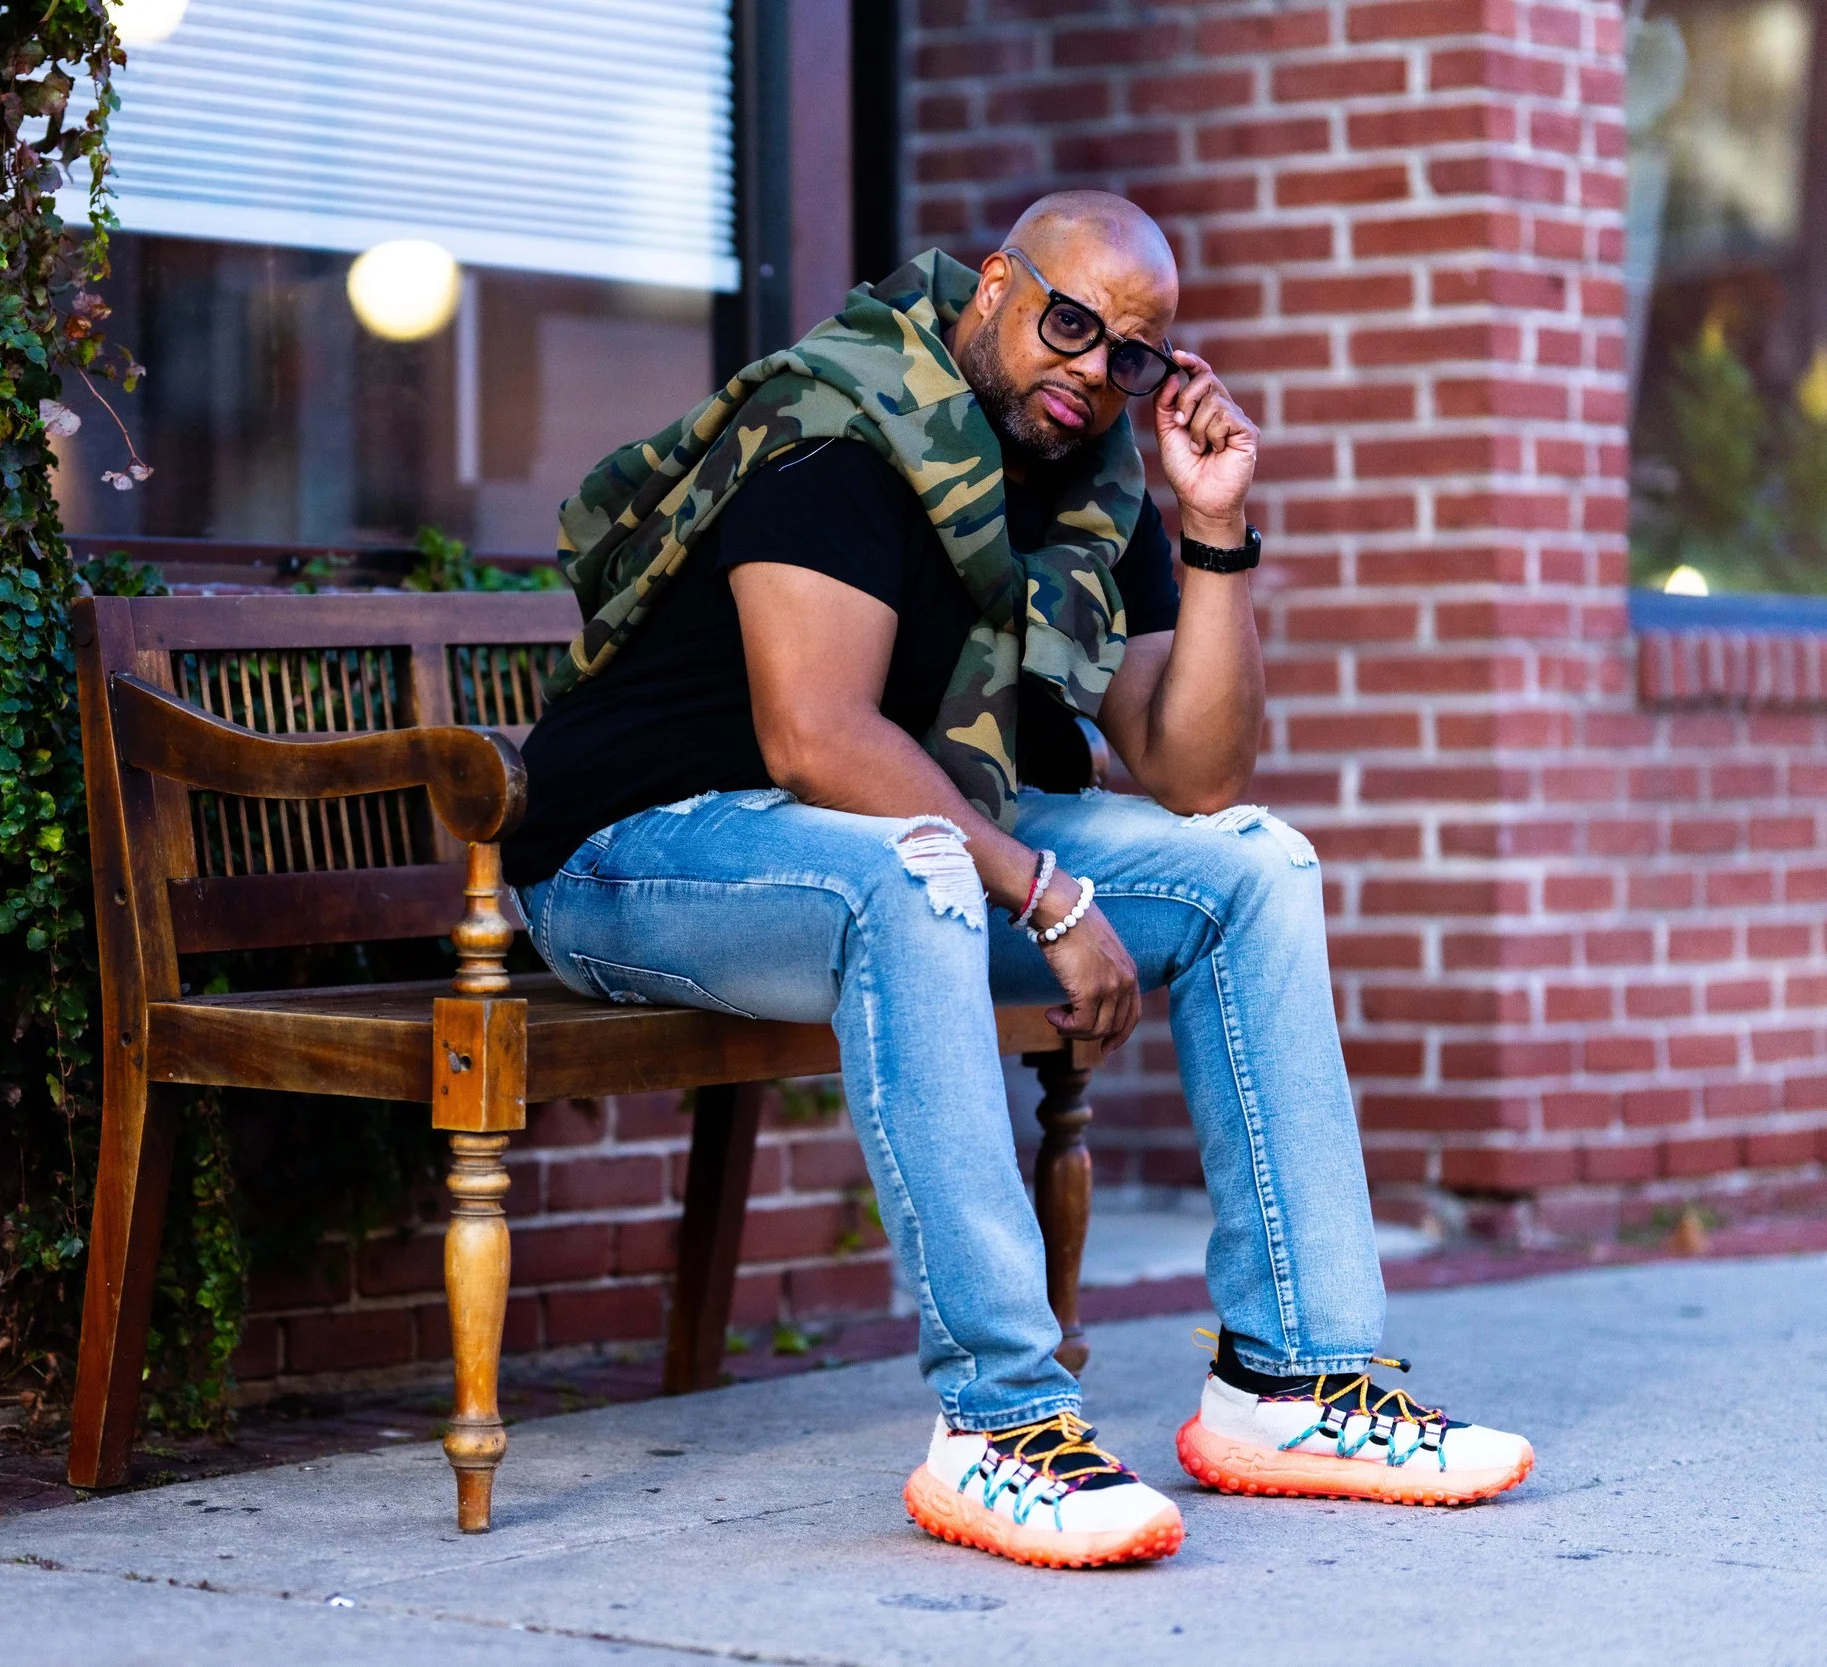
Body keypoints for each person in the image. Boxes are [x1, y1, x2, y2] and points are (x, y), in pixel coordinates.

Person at [505, 191, 1534, 1570]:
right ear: (994, 285)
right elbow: (820, 736)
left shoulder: (1094, 490)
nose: (1091, 371)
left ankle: (1292, 1380)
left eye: (1131, 354)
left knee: (1254, 866)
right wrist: (1044, 891)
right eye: (1069, 323)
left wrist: (1214, 529)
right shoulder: (841, 429)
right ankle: (999, 1422)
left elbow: (1196, 770)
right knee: (920, 867)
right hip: (634, 855)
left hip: (885, 847)